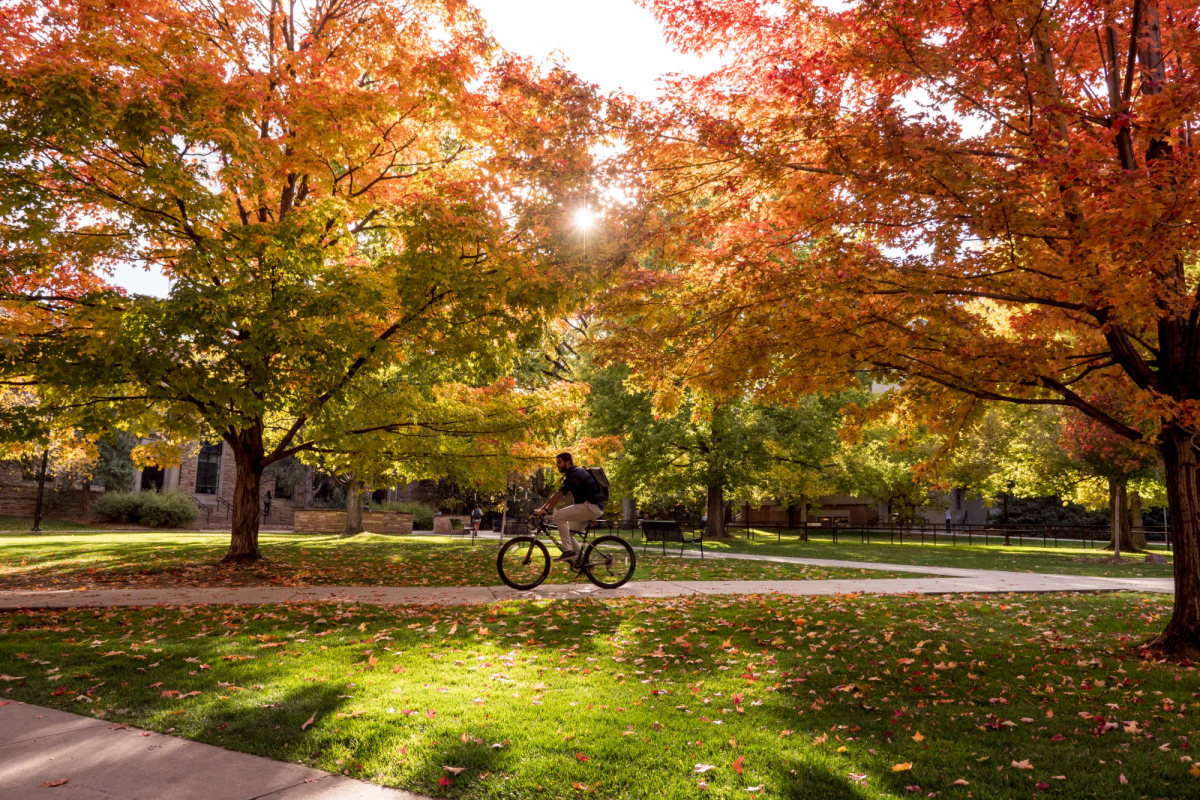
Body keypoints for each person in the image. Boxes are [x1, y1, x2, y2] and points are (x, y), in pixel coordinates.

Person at [536, 451, 604, 561]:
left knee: (559, 516)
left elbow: (559, 494)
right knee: (568, 534)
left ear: (567, 462)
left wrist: (547, 510)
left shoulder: (575, 474)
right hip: (589, 507)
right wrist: (542, 509)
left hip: (592, 506)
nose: (557, 465)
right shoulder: (571, 475)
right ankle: (583, 564)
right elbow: (557, 494)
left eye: (559, 462)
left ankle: (568, 551)